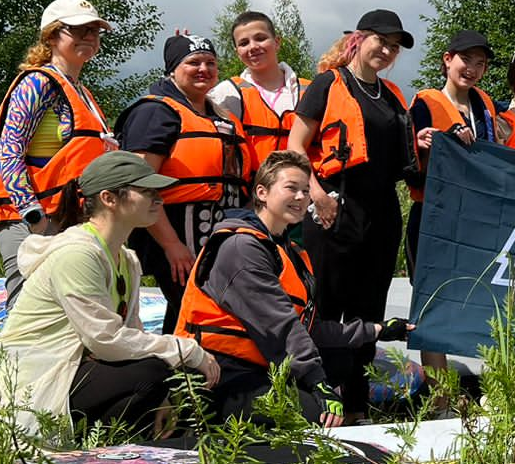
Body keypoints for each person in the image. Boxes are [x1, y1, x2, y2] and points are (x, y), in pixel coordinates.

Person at [0, 150, 221, 441]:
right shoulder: (77, 254)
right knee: (153, 372)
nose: (159, 200)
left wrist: (168, 387)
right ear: (109, 198)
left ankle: (140, 450)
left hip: (76, 369)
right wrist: (185, 350)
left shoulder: (126, 259)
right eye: (147, 191)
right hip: (37, 382)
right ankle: (101, 452)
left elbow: (131, 334)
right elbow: (105, 340)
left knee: (177, 375)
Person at [175, 150, 414, 427]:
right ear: (262, 193)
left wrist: (379, 330)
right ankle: (210, 421)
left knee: (340, 359)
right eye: (291, 188)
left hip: (262, 363)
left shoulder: (287, 250)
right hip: (219, 370)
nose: (301, 197)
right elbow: (281, 325)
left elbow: (308, 327)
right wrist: (318, 383)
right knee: (312, 413)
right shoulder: (241, 248)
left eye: (305, 190)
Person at [287, 9, 417, 421]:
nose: (387, 51)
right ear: (359, 39)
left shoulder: (393, 95)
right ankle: (321, 402)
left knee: (368, 312)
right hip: (333, 208)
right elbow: (294, 147)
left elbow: (404, 160)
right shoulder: (328, 83)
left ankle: (358, 407)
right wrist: (316, 195)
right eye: (382, 41)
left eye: (394, 47)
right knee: (326, 308)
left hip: (381, 213)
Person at [115, 34, 257, 334]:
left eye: (210, 63)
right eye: (193, 62)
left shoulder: (221, 116)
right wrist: (171, 245)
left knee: (210, 308)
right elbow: (138, 181)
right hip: (177, 229)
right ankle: (179, 376)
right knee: (191, 307)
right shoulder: (156, 112)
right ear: (172, 70)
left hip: (221, 228)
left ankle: (205, 372)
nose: (203, 68)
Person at [0, 0, 117, 309]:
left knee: (68, 308)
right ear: (53, 36)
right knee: (28, 307)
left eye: (94, 31)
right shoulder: (38, 83)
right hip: (30, 218)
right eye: (79, 30)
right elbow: (9, 149)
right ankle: (11, 361)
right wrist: (34, 217)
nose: (89, 37)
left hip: (68, 215)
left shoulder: (81, 92)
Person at [407, 30, 505, 274]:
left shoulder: (486, 106)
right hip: (435, 215)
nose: (472, 68)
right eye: (466, 59)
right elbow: (411, 171)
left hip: (477, 216)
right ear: (448, 59)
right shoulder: (425, 105)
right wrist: (437, 143)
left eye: (480, 63)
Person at [209, 10, 310, 164]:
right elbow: (190, 110)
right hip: (253, 185)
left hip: (303, 185)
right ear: (237, 52)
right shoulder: (227, 93)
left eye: (260, 38)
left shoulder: (309, 90)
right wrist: (182, 60)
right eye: (244, 43)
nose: (253, 47)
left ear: (277, 42)